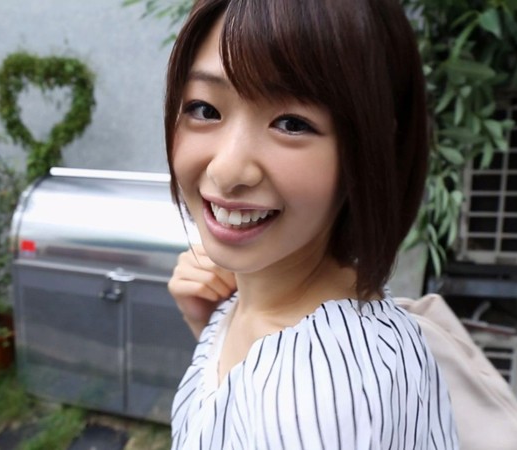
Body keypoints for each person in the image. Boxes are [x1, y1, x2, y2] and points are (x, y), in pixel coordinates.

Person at [163, 0, 460, 448]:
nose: (227, 170)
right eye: (205, 109)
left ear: (369, 149)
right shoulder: (267, 308)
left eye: (291, 123)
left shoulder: (318, 395)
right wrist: (209, 324)